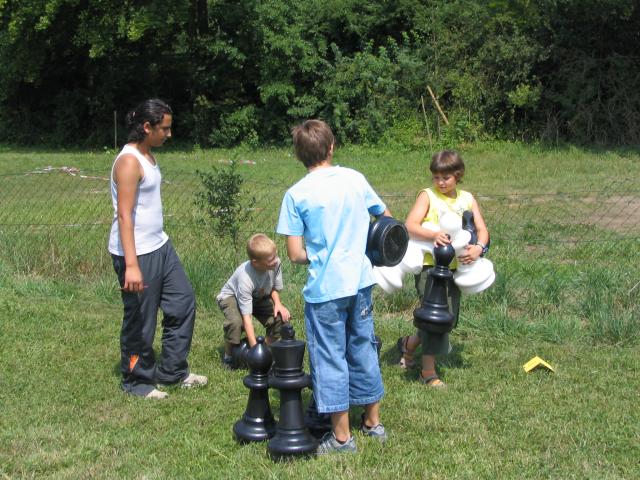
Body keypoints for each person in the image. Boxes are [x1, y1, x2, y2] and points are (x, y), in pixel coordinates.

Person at [276, 119, 391, 454]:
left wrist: (323, 250)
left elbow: (296, 254)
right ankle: (373, 422)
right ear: (331, 147)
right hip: (361, 282)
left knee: (329, 358)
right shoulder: (354, 178)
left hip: (326, 289)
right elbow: (386, 219)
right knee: (362, 347)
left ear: (299, 155)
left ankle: (341, 439)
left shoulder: (296, 194)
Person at [108, 99, 207, 399]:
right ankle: (137, 382)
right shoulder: (128, 162)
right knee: (141, 319)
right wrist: (132, 264)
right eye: (164, 128)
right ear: (147, 127)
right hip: (136, 253)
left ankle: (172, 371)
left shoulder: (147, 154)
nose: (169, 133)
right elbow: (124, 215)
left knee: (183, 302)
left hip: (160, 246)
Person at [398, 150, 489, 387]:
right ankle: (428, 372)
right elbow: (410, 226)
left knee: (448, 318)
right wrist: (434, 234)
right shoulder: (427, 196)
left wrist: (479, 248)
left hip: (457, 269)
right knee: (435, 318)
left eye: (445, 178)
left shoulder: (467, 199)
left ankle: (409, 344)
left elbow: (482, 230)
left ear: (458, 175)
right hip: (430, 266)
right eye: (436, 177)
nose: (440, 182)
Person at [217, 233, 291, 367]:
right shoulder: (245, 278)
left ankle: (266, 350)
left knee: (280, 317)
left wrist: (278, 304)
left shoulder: (275, 264)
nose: (275, 261)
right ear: (255, 262)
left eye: (275, 256)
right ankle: (228, 356)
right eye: (270, 259)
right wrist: (254, 353)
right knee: (236, 322)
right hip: (231, 297)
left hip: (258, 296)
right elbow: (247, 320)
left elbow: (273, 287)